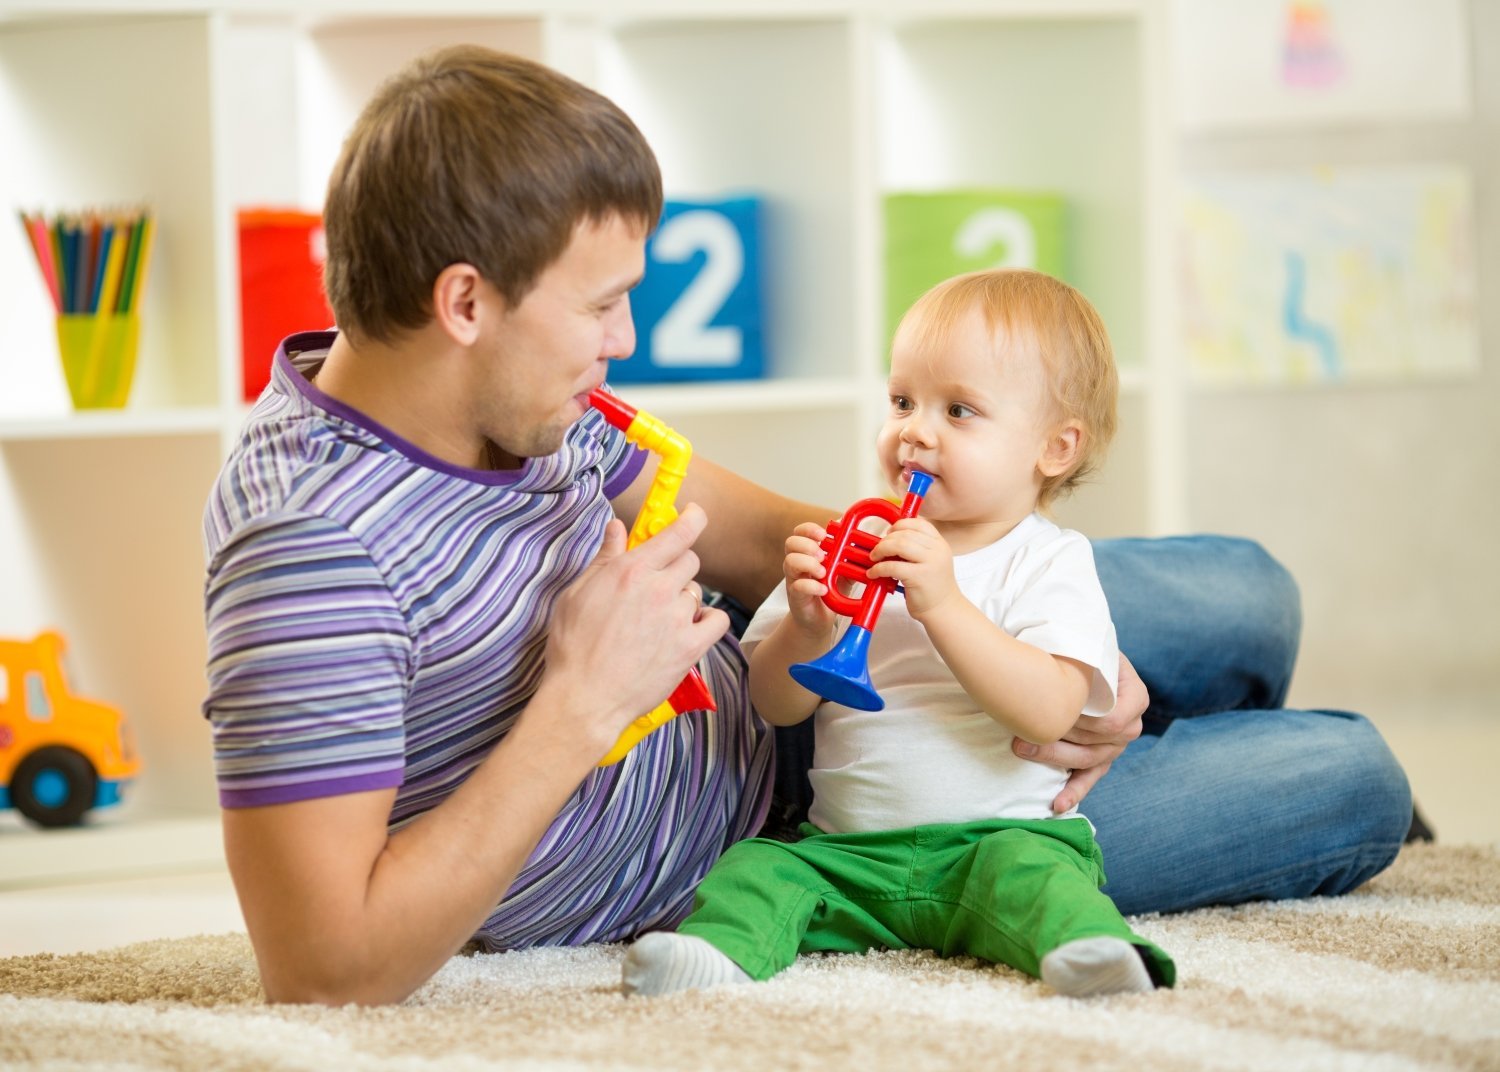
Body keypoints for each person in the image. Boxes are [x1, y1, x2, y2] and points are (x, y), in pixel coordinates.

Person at [200, 44, 1411, 1008]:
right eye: (607, 303)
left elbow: (738, 523)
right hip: (821, 832)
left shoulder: (507, 390)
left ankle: (1144, 709)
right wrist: (582, 700)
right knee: (1348, 777)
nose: (626, 342)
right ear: (465, 300)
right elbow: (324, 966)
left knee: (1249, 594)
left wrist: (1025, 628)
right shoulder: (312, 550)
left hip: (782, 661)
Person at [622, 269, 1176, 998]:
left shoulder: (1051, 560)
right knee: (759, 871)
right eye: (903, 401)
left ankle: (1091, 951)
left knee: (1047, 885)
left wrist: (944, 604)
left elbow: (1048, 712)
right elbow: (774, 705)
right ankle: (714, 957)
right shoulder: (855, 541)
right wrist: (809, 629)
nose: (915, 430)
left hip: (999, 843)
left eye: (960, 410)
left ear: (1055, 449)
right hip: (845, 853)